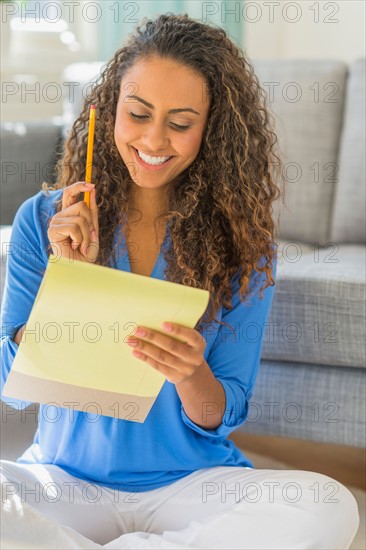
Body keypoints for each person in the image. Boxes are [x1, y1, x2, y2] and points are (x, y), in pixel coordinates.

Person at [0, 13, 359, 550]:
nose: (153, 139)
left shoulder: (244, 245)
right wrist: (72, 279)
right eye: (138, 113)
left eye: (180, 122)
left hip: (191, 486)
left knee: (329, 503)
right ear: (110, 112)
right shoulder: (45, 218)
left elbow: (223, 413)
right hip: (64, 481)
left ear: (211, 130)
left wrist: (192, 373)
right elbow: (15, 389)